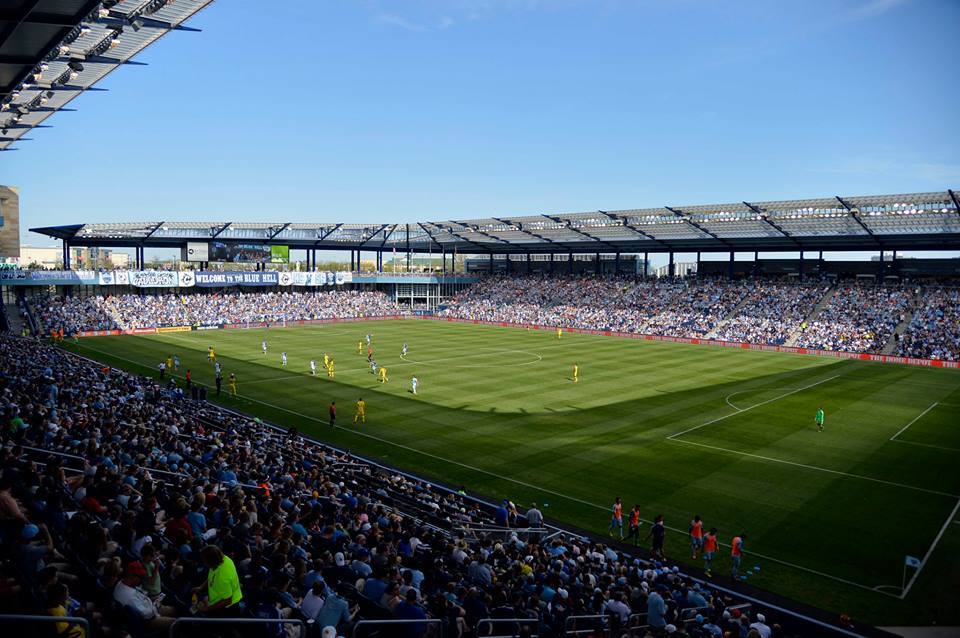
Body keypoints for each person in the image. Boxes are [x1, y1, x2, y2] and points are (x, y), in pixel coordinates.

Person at [113, 561, 177, 632]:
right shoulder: (130, 596)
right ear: (131, 576)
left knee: (175, 610)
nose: (142, 579)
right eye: (140, 577)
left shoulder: (121, 583)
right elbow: (146, 615)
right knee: (178, 623)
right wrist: (156, 603)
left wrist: (153, 600)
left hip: (150, 607)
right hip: (149, 621)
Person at [194, 545, 242, 615]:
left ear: (211, 561)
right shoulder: (224, 559)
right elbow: (211, 577)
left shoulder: (222, 578)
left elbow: (228, 600)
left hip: (227, 608)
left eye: (205, 560)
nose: (204, 562)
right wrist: (201, 587)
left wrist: (208, 608)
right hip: (217, 599)